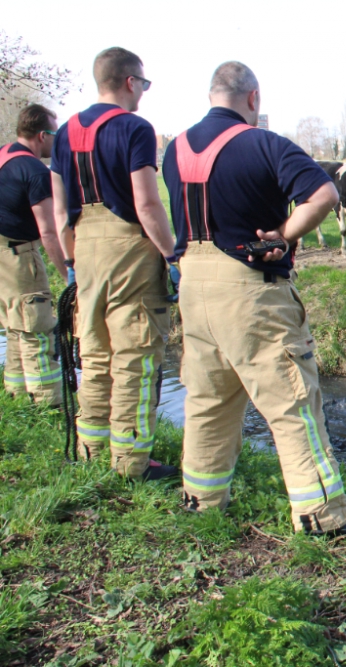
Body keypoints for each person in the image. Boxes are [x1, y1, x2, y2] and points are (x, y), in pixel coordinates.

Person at [161, 61, 346, 536]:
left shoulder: (174, 150)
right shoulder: (265, 143)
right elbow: (324, 194)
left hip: (192, 286)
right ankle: (322, 516)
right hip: (249, 287)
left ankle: (202, 499)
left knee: (208, 399)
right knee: (292, 403)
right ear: (254, 98)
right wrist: (285, 235)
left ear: (212, 95)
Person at [50, 48, 178, 480]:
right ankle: (130, 462)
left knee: (94, 350)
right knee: (136, 354)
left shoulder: (64, 132)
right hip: (129, 251)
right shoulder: (136, 129)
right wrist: (171, 254)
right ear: (130, 81)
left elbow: (59, 209)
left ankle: (90, 447)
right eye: (144, 83)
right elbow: (146, 203)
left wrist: (70, 260)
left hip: (85, 244)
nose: (143, 91)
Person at [0, 104, 68, 405]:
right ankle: (47, 404)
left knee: (15, 326)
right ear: (43, 135)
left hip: (2, 251)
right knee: (37, 329)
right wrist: (68, 273)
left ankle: (15, 392)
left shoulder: (3, 155)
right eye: (55, 134)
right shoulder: (36, 171)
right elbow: (49, 232)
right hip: (21, 257)